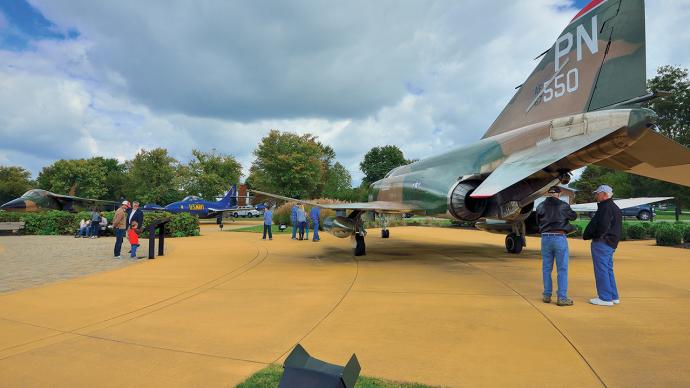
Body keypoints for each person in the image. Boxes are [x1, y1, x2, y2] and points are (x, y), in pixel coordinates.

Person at [535, 186, 577, 306]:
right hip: (559, 237)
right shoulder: (563, 205)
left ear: (548, 193)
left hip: (545, 238)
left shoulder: (540, 206)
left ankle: (547, 295)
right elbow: (573, 216)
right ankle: (562, 298)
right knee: (562, 269)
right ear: (559, 194)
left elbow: (538, 221)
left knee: (546, 268)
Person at [583, 184, 622, 307]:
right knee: (608, 269)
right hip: (610, 242)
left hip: (602, 242)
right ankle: (613, 296)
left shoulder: (605, 208)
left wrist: (593, 235)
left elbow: (602, 226)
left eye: (598, 193)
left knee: (601, 270)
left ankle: (605, 298)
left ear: (604, 194)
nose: (596, 195)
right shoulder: (614, 207)